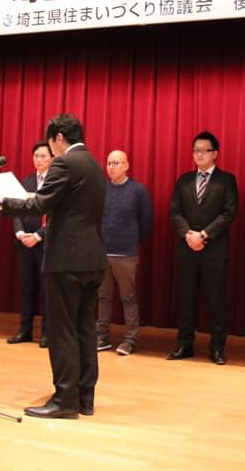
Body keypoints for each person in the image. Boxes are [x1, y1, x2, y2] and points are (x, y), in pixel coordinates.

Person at [0, 113, 106, 419]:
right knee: (84, 329)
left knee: (62, 330)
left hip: (66, 259)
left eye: (51, 144)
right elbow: (64, 203)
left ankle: (65, 400)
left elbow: (40, 204)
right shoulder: (94, 164)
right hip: (92, 258)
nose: (51, 151)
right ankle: (85, 398)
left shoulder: (65, 163)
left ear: (59, 138)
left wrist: (2, 203)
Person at [167, 131, 238, 365]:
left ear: (215, 153)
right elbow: (175, 211)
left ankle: (217, 348)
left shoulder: (226, 180)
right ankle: (184, 344)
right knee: (186, 299)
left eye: (204, 150)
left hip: (214, 250)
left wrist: (204, 235)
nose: (199, 154)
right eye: (195, 150)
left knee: (216, 300)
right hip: (187, 248)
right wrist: (188, 234)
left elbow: (229, 212)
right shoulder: (184, 180)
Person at [96, 149, 153, 356]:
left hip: (126, 253)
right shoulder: (101, 189)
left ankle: (130, 340)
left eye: (117, 163)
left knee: (128, 297)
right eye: (109, 163)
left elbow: (146, 222)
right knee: (103, 296)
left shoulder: (138, 190)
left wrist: (132, 242)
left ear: (127, 166)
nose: (112, 167)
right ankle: (101, 337)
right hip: (102, 253)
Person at [7, 141, 51, 348]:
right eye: (36, 156)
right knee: (27, 288)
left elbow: (56, 215)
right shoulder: (26, 182)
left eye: (43, 156)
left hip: (46, 243)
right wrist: (20, 232)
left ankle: (47, 333)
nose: (38, 160)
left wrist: (39, 235)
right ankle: (25, 330)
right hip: (24, 243)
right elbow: (16, 209)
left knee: (46, 289)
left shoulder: (55, 182)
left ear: (52, 158)